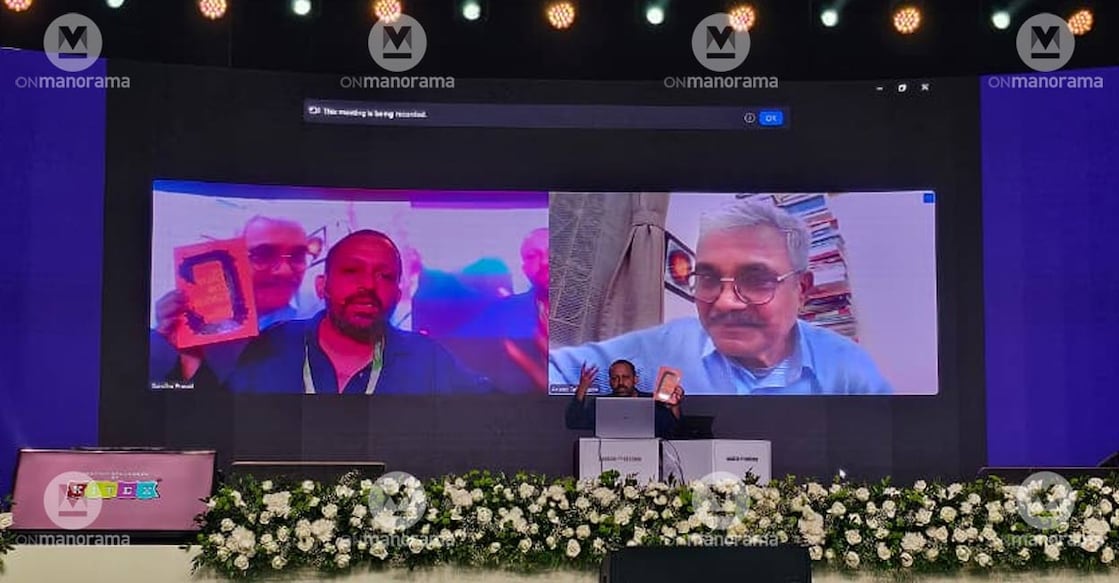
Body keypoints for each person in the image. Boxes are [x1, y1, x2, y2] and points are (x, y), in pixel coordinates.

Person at [549, 199, 893, 395]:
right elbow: (552, 374)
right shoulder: (662, 349)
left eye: (757, 279)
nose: (726, 302)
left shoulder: (847, 368)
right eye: (709, 278)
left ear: (801, 291)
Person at [223, 229, 493, 394]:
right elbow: (219, 421)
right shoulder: (273, 346)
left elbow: (493, 415)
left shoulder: (428, 359)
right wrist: (191, 357)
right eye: (352, 271)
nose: (367, 285)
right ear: (322, 286)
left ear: (398, 295)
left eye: (384, 276)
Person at [149, 216, 314, 387]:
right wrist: (176, 355)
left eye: (298, 256)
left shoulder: (317, 314)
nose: (285, 271)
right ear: (235, 256)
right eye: (263, 255)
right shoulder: (187, 316)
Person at [565, 360, 681, 438]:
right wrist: (582, 389)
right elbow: (573, 422)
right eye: (615, 378)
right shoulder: (599, 404)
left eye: (625, 377)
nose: (620, 383)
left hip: (648, 455)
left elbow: (672, 429)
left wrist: (674, 406)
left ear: (635, 379)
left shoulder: (652, 402)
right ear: (610, 382)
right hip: (609, 457)